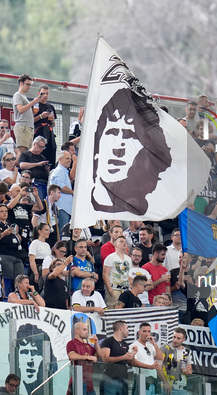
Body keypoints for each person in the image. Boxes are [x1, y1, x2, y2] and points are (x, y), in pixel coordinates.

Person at [91, 88, 171, 216]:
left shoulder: (140, 208)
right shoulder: (82, 198)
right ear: (97, 145)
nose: (119, 148)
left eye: (130, 136)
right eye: (112, 133)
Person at [99, 320, 134, 395]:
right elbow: (105, 358)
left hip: (123, 379)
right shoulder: (108, 341)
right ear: (121, 329)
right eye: (127, 328)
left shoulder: (125, 344)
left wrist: (133, 354)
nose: (128, 331)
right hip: (110, 379)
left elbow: (129, 362)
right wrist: (123, 357)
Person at [0, 204, 25, 281]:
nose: (5, 213)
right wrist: (3, 234)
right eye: (2, 211)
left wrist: (16, 233)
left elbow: (19, 240)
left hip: (17, 254)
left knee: (20, 279)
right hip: (5, 254)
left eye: (6, 211)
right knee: (8, 279)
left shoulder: (10, 224)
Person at [129, 322, 163, 395]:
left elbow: (160, 358)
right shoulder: (134, 346)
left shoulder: (150, 346)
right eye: (144, 331)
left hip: (153, 380)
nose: (147, 334)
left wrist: (154, 343)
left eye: (149, 331)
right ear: (139, 332)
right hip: (141, 379)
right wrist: (150, 367)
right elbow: (134, 362)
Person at [158, 327, 192, 395]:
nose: (175, 340)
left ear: (183, 340)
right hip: (166, 387)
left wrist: (189, 371)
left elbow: (190, 368)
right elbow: (158, 367)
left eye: (178, 338)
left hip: (181, 387)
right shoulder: (165, 348)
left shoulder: (187, 351)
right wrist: (166, 383)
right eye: (174, 337)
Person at [66, 322, 98, 395]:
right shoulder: (71, 343)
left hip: (90, 382)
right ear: (77, 331)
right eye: (84, 329)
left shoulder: (88, 346)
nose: (87, 331)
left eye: (87, 329)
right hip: (78, 380)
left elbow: (98, 355)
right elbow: (72, 356)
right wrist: (87, 357)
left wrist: (96, 344)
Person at [13, 74, 40, 153]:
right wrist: (34, 102)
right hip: (22, 127)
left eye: (30, 85)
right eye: (27, 84)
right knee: (23, 152)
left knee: (27, 152)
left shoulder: (23, 96)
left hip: (27, 127)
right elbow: (20, 109)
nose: (29, 87)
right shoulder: (18, 95)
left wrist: (33, 113)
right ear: (21, 83)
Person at [103, 235, 131, 308]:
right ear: (115, 245)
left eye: (125, 242)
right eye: (121, 242)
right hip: (114, 288)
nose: (124, 243)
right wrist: (110, 290)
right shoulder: (110, 258)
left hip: (126, 289)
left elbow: (129, 275)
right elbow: (105, 275)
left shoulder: (128, 259)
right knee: (113, 309)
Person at [33, 85, 57, 165]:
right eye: (43, 93)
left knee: (52, 150)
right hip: (39, 131)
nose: (45, 96)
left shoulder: (50, 106)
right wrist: (40, 116)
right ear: (39, 93)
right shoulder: (35, 105)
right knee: (41, 150)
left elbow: (53, 124)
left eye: (47, 94)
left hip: (49, 132)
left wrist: (52, 120)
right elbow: (30, 121)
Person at [49, 151, 72, 231]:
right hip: (62, 208)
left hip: (66, 208)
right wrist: (73, 192)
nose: (69, 160)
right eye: (67, 158)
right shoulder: (59, 171)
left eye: (70, 159)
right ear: (60, 159)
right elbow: (60, 187)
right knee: (62, 232)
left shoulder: (64, 171)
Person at [28, 223, 52, 288]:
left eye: (49, 230)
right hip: (38, 268)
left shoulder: (47, 245)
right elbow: (32, 260)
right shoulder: (35, 243)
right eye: (46, 230)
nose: (48, 232)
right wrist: (36, 273)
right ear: (39, 231)